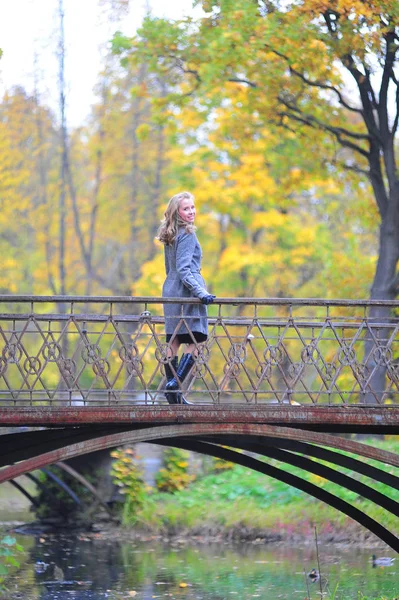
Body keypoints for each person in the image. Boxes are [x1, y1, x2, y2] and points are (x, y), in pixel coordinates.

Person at [157, 191, 216, 404]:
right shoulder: (188, 233)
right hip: (188, 290)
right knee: (198, 338)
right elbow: (184, 270)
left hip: (171, 289)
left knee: (173, 339)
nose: (191, 212)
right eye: (186, 208)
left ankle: (174, 394)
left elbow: (169, 269)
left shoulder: (170, 233)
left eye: (192, 207)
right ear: (177, 212)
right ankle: (175, 383)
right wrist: (202, 293)